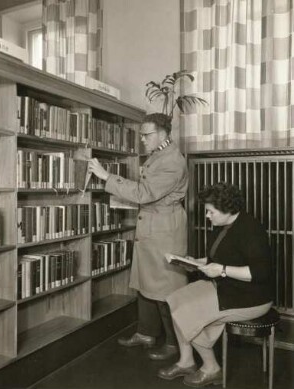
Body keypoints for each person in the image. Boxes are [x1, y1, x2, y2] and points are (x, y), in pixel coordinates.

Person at [87, 113, 189, 360]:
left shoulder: (173, 161)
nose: (142, 139)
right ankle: (146, 332)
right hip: (153, 225)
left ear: (163, 134)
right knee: (145, 282)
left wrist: (106, 177)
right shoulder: (159, 154)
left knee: (166, 287)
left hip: (164, 229)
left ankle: (174, 343)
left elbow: (144, 193)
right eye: (142, 134)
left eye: (147, 134)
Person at [158, 182, 273, 387]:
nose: (207, 216)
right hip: (226, 286)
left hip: (251, 296)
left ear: (228, 209)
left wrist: (221, 270)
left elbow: (260, 273)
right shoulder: (223, 225)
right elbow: (221, 256)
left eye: (211, 212)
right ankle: (186, 361)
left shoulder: (251, 230)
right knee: (175, 299)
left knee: (187, 312)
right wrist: (195, 262)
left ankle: (211, 368)